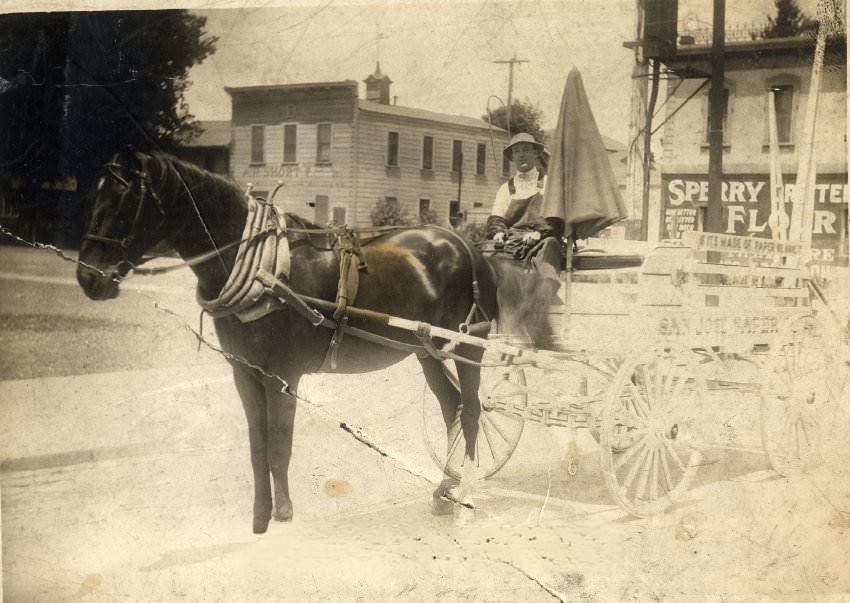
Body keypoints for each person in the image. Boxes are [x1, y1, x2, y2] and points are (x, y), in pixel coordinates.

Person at [485, 133, 564, 274]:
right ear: (512, 157)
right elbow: (497, 218)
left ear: (535, 153)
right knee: (485, 263)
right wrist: (498, 232)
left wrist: (538, 233)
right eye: (517, 151)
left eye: (526, 149)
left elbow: (555, 218)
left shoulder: (548, 183)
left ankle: (544, 293)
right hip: (512, 241)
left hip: (541, 241)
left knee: (549, 249)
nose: (521, 155)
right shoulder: (506, 188)